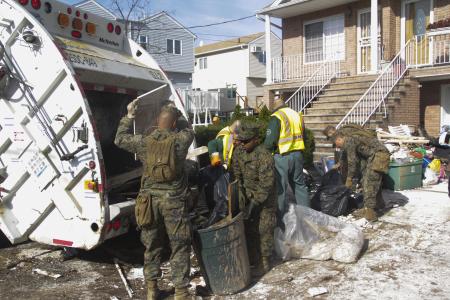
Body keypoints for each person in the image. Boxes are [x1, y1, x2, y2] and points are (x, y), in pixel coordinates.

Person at [114, 99, 194, 300]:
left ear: (157, 121)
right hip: (174, 202)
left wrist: (129, 116)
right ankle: (181, 293)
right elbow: (189, 129)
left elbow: (120, 139)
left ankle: (151, 290)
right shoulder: (181, 140)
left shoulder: (144, 142)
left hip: (149, 202)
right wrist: (177, 113)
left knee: (152, 246)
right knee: (179, 246)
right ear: (174, 123)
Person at [233, 122, 277, 277]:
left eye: (246, 141)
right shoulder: (238, 152)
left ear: (256, 140)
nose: (242, 144)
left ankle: (265, 262)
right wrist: (240, 195)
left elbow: (267, 184)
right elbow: (237, 174)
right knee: (250, 230)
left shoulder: (264, 156)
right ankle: (253, 258)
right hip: (248, 196)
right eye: (241, 141)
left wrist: (256, 202)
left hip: (265, 199)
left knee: (265, 229)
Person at [264, 99, 309, 224]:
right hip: (298, 154)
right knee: (299, 185)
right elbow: (304, 135)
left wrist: (264, 153)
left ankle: (281, 219)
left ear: (275, 108)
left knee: (280, 188)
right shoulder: (297, 115)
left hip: (282, 156)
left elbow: (270, 141)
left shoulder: (277, 117)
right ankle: (306, 216)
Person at [332, 131, 390, 221]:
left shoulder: (349, 141)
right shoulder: (349, 139)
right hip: (373, 156)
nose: (337, 147)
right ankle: (376, 205)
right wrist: (339, 163)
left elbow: (352, 162)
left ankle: (370, 213)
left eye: (336, 144)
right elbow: (345, 155)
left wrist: (349, 178)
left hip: (379, 155)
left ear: (339, 139)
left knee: (370, 183)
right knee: (365, 181)